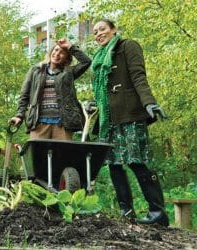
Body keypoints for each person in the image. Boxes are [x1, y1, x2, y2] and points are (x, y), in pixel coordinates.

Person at [89, 19, 168, 226]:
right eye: (95, 32)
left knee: (137, 161)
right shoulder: (98, 59)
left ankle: (158, 213)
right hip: (109, 120)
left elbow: (138, 76)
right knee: (114, 164)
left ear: (114, 30)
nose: (98, 34)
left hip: (130, 114)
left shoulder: (127, 46)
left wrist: (149, 103)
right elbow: (101, 92)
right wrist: (93, 104)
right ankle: (126, 211)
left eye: (102, 29)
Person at [10, 39, 91, 140]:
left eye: (62, 53)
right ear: (51, 51)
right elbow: (24, 95)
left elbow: (86, 62)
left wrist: (70, 47)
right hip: (39, 123)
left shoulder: (69, 72)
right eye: (56, 50)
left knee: (62, 155)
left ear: (66, 58)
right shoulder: (36, 70)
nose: (57, 54)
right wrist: (19, 115)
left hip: (63, 124)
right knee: (38, 154)